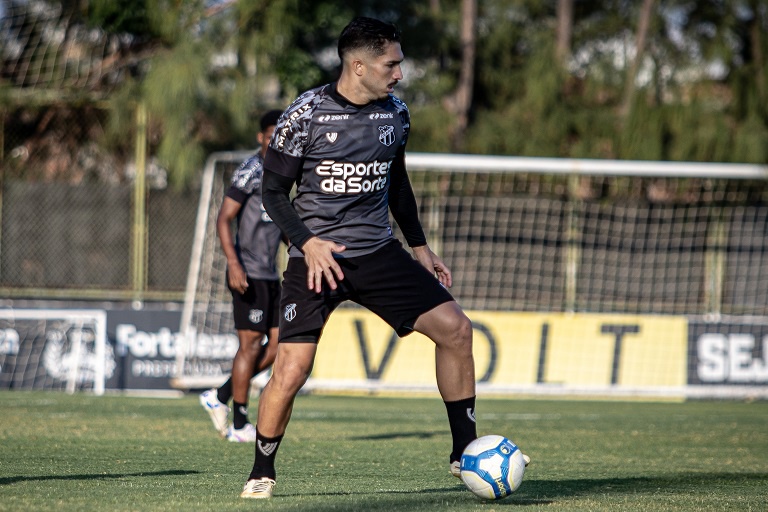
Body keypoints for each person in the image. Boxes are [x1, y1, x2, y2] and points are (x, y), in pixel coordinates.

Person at [240, 17, 527, 499]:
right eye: (390, 64)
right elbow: (272, 191)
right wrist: (307, 242)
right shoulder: (305, 114)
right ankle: (261, 471)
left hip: (378, 252)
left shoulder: (396, 113)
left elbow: (397, 183)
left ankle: (464, 453)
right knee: (291, 369)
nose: (398, 74)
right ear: (358, 66)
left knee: (456, 329)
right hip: (316, 258)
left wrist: (419, 246)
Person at [199, 109, 284, 443]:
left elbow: (283, 219)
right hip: (247, 273)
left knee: (281, 344)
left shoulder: (284, 172)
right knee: (249, 346)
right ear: (262, 137)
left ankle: (219, 395)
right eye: (272, 134)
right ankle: (238, 424)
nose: (277, 139)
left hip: (270, 274)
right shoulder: (251, 171)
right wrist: (233, 264)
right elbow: (224, 219)